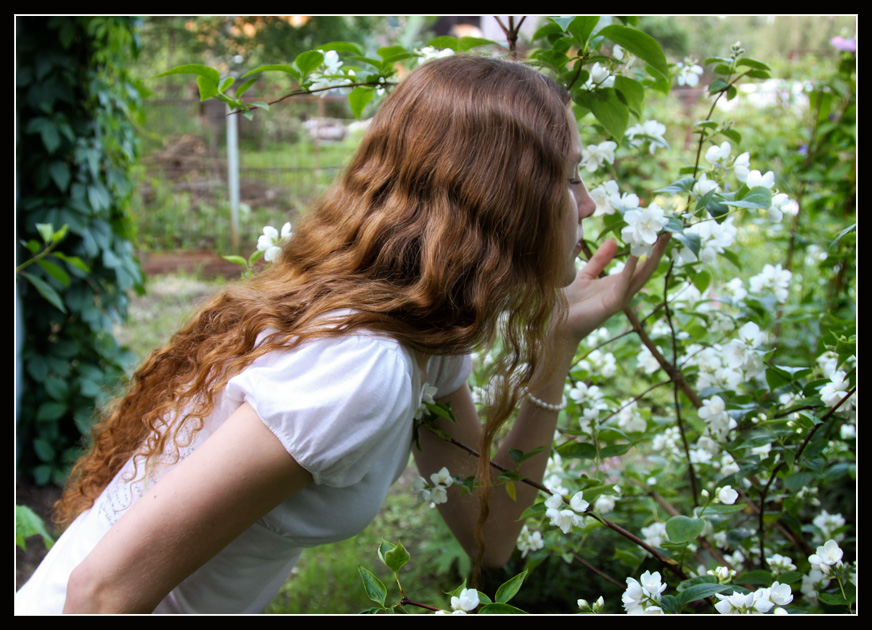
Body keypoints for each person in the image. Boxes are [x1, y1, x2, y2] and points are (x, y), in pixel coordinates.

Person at [15, 53, 669, 614]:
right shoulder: (362, 370)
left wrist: (558, 340)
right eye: (571, 177)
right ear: (505, 197)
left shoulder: (417, 332)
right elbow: (101, 593)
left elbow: (488, 537)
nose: (586, 206)